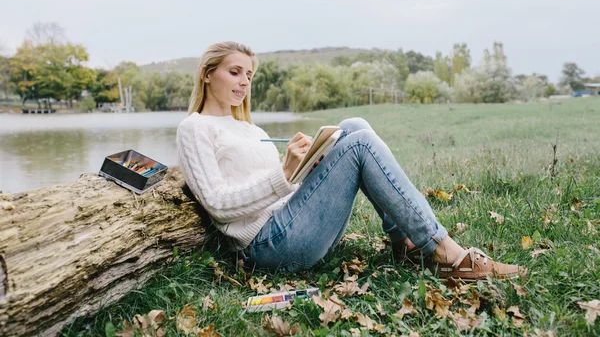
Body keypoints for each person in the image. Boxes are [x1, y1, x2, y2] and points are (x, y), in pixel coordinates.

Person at [176, 41, 526, 281]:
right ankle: (449, 254)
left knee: (352, 127)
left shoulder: (250, 127)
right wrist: (284, 174)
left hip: (290, 220)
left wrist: (305, 168)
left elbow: (279, 188)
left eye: (249, 75)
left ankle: (404, 243)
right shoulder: (194, 128)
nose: (244, 83)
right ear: (207, 73)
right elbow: (218, 205)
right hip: (266, 246)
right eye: (235, 72)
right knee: (358, 144)